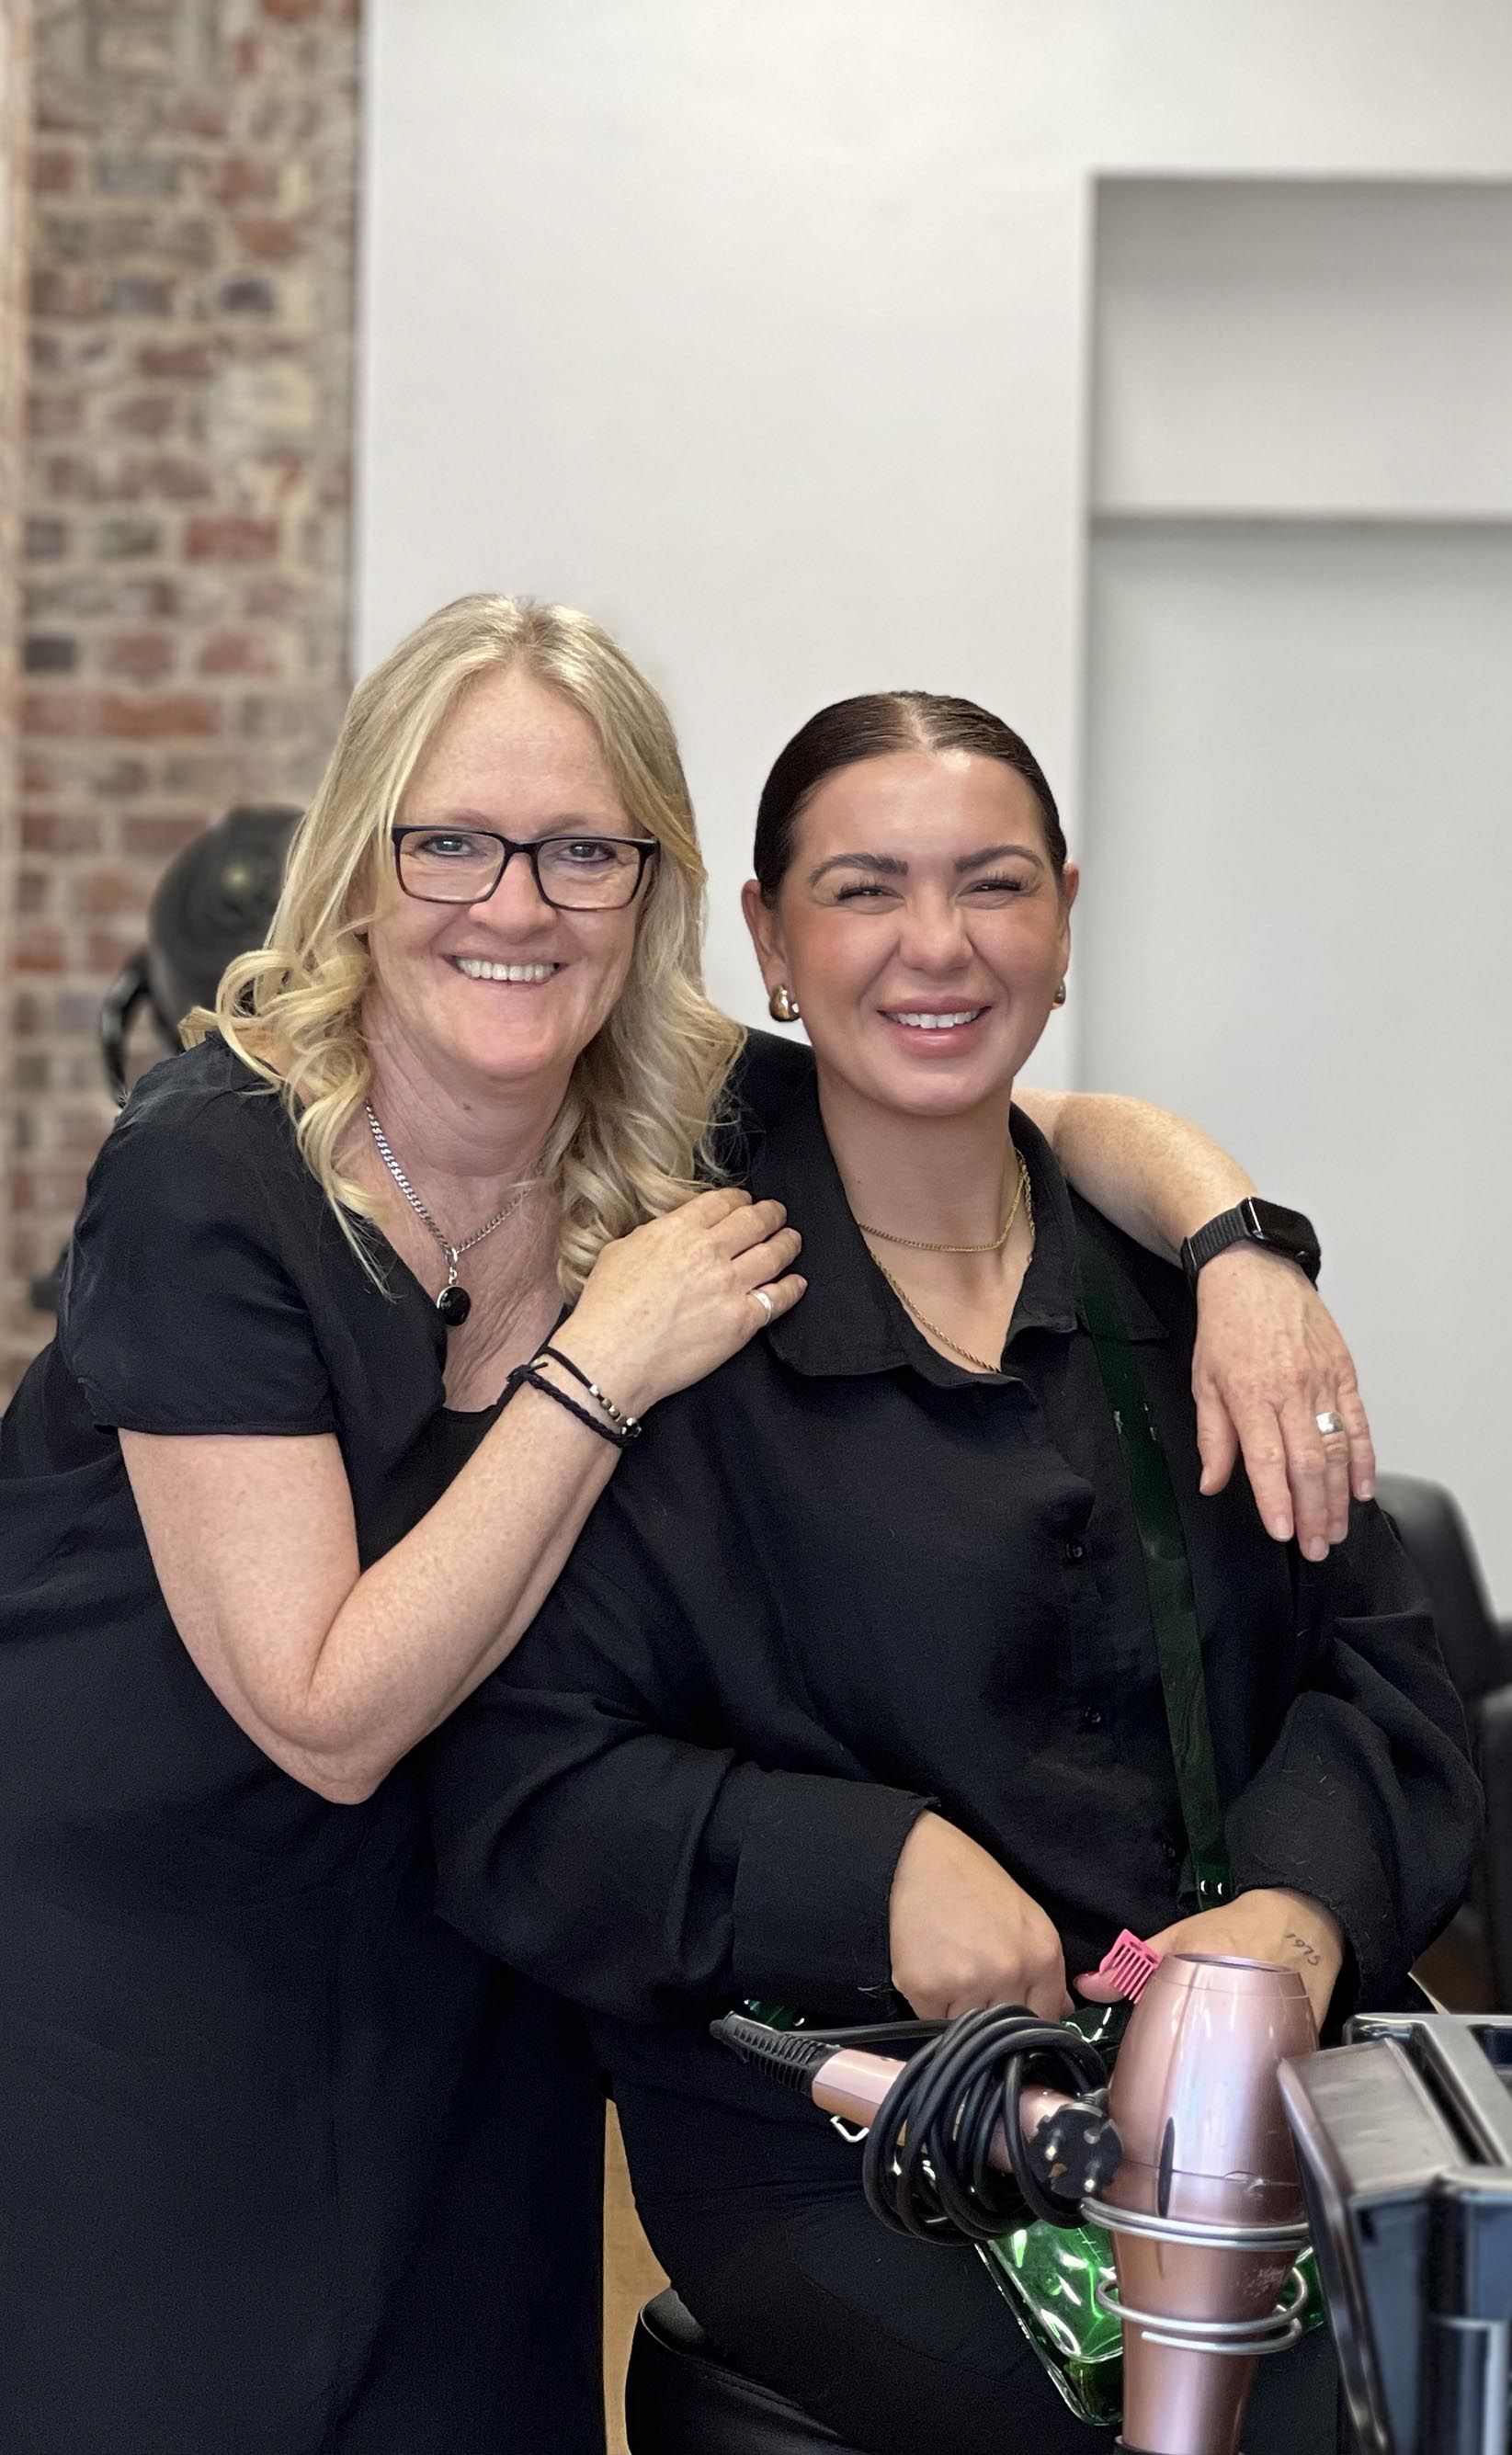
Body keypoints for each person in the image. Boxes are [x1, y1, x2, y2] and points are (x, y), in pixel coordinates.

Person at [0, 597, 1373, 2455]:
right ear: (359, 865)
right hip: (147, 1929)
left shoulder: (652, 1110)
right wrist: (598, 1366)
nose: (517, 902)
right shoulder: (213, 1167)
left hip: (455, 1942)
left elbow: (1020, 1108)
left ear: (651, 888)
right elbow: (322, 1712)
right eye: (452, 841)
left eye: (584, 851)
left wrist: (1241, 1252)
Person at [428, 688, 1483, 2455]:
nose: (938, 944)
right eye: (863, 890)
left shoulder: (1198, 1310)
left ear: (1062, 918)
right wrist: (872, 1869)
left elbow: (1379, 1669)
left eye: (992, 885)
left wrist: (1293, 1918)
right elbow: (522, 1782)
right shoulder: (670, 1329)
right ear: (769, 940)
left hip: (1237, 2101)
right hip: (831, 2142)